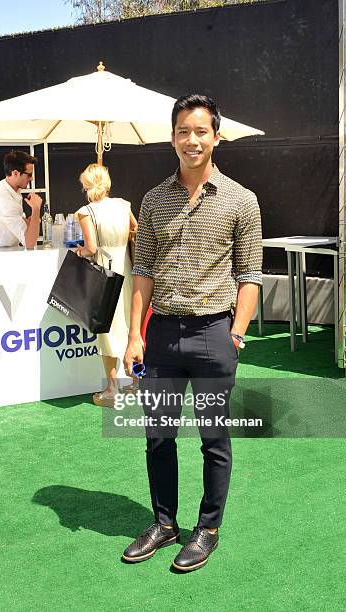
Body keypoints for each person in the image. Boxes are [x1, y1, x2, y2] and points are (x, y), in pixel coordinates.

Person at [122, 94, 262, 572]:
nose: (192, 139)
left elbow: (250, 275)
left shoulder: (243, 200)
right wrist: (135, 335)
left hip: (213, 335)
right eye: (183, 131)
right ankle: (165, 524)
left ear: (216, 136)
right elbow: (143, 270)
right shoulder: (154, 198)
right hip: (160, 336)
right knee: (158, 435)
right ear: (173, 138)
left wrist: (236, 335)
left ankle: (208, 529)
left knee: (212, 438)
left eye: (201, 131)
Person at [75, 163, 137, 408]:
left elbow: (90, 249)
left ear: (86, 185)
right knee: (131, 326)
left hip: (104, 273)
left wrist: (78, 251)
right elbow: (137, 230)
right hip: (128, 269)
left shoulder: (85, 211)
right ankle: (136, 383)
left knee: (107, 332)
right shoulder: (124, 205)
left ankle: (112, 390)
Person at [0, 150, 42, 249]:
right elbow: (30, 243)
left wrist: (29, 223)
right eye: (29, 174)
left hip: (7, 250)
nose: (31, 178)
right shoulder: (5, 201)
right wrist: (36, 209)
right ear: (15, 173)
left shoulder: (9, 187)